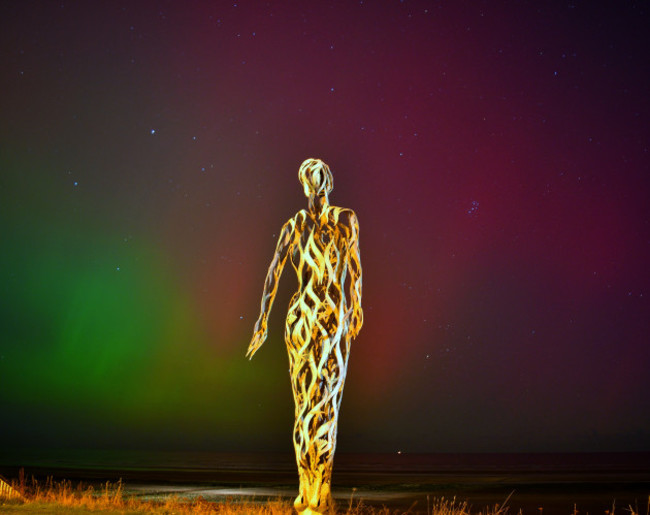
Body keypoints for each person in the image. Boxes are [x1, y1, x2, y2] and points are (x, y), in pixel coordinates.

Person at [247, 158, 363, 514]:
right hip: (301, 317)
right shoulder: (294, 224)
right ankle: (305, 491)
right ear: (304, 186)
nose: (314, 188)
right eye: (308, 182)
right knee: (303, 405)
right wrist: (262, 320)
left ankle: (322, 489)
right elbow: (274, 271)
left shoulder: (346, 219)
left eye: (318, 181)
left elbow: (355, 268)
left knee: (327, 404)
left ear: (328, 182)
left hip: (333, 318)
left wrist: (356, 307)